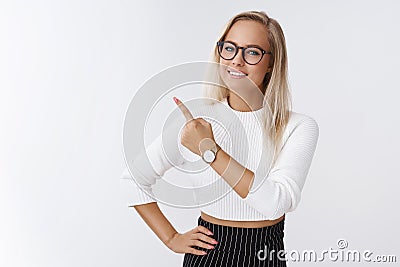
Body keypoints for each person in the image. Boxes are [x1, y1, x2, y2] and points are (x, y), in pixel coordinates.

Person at [120, 10, 319, 267]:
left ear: (271, 63)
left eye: (252, 52)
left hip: (266, 254)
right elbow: (132, 179)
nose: (237, 61)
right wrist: (171, 238)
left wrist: (210, 151)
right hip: (209, 254)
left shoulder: (298, 127)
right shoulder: (195, 123)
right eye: (230, 48)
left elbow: (276, 203)